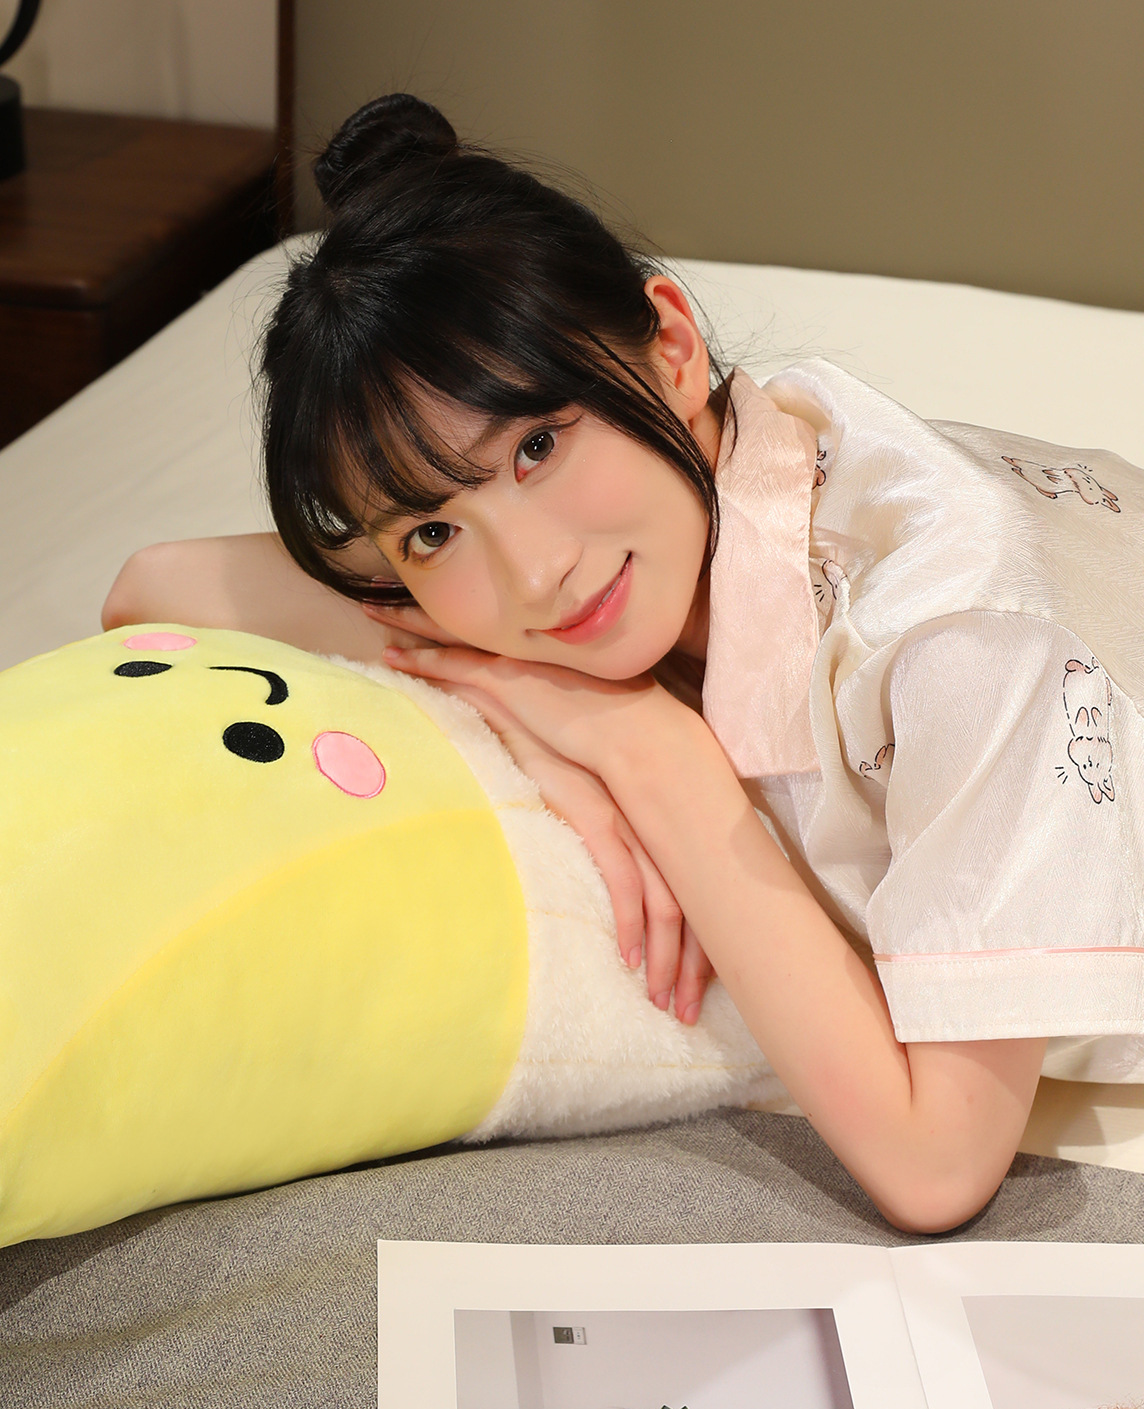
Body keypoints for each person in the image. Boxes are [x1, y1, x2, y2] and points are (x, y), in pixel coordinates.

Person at [103, 94, 1144, 1233]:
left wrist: (645, 748)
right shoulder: (647, 531)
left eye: (538, 447)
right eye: (432, 531)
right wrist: (540, 699)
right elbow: (156, 586)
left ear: (674, 347)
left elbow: (935, 1167)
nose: (533, 574)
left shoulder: (956, 636)